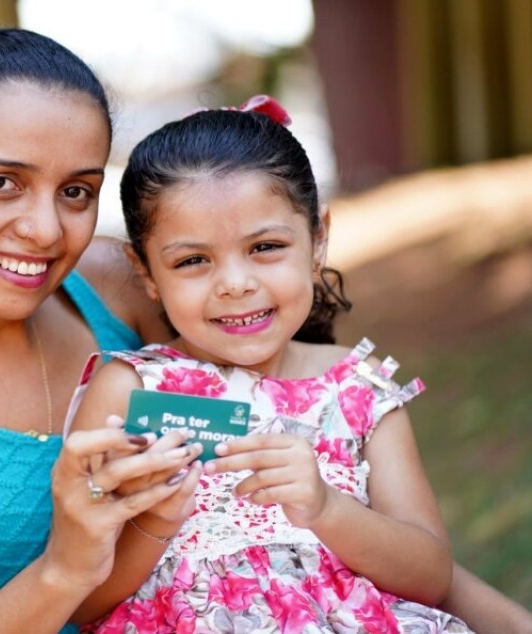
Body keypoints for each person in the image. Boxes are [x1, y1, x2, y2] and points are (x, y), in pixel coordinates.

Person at [0, 28, 532, 634]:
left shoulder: (112, 285)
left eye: (76, 191)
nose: (44, 229)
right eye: (0, 182)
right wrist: (62, 570)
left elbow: (311, 428)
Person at [64, 97, 475, 632]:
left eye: (265, 247)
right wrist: (158, 521)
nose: (235, 282)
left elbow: (432, 578)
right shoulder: (129, 391)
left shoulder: (359, 394)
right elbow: (82, 603)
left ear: (317, 240)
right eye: (192, 260)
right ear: (144, 272)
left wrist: (327, 508)